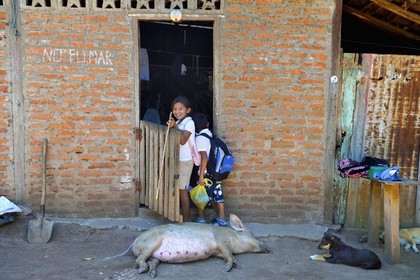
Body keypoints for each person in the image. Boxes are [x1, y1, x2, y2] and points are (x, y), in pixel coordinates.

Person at [191, 113, 227, 227]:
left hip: (206, 173)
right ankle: (221, 219)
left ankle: (201, 218)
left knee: (200, 195)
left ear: (195, 127)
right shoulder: (211, 135)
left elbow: (204, 157)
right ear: (207, 124)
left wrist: (201, 175)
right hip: (215, 172)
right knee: (218, 194)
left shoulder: (200, 138)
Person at [167, 96, 195, 222]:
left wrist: (175, 128)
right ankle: (179, 216)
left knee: (183, 189)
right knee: (177, 188)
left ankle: (187, 220)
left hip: (185, 160)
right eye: (174, 109)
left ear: (188, 110)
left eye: (180, 109)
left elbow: (183, 140)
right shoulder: (178, 123)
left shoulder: (190, 123)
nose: (177, 112)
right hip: (177, 159)